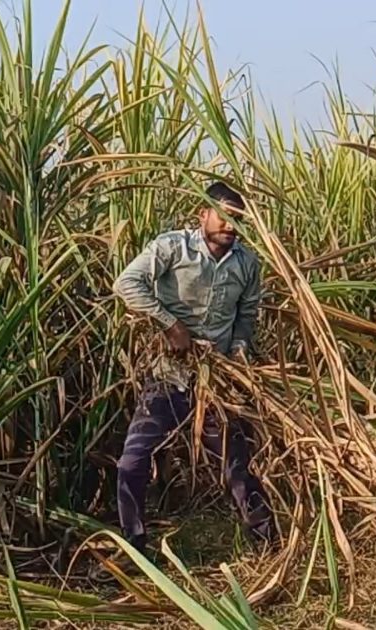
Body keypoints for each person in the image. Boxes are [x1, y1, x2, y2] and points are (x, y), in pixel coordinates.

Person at [101, 182, 276, 574]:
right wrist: (170, 324)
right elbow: (126, 283)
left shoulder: (246, 264)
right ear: (204, 215)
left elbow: (247, 316)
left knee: (236, 466)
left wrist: (238, 354)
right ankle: (135, 547)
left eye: (238, 219)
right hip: (168, 377)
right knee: (131, 462)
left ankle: (268, 546)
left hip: (217, 384)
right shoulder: (172, 247)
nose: (231, 225)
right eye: (224, 215)